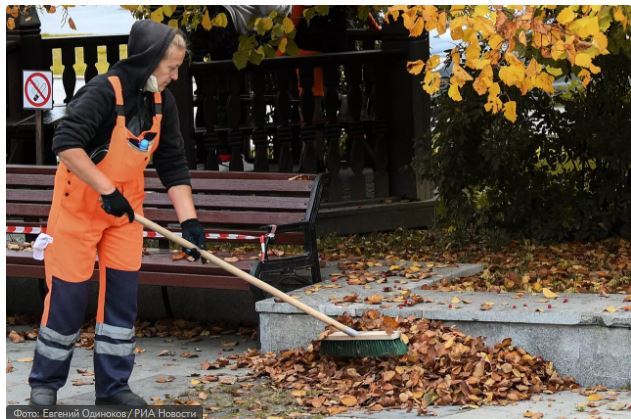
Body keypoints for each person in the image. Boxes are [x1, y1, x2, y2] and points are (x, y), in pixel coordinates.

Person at [28, 20, 206, 406]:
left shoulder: (162, 101)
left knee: (121, 300)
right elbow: (66, 144)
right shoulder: (103, 92)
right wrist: (106, 190)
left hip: (125, 215)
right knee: (68, 298)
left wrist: (188, 222)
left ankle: (113, 388)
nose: (176, 75)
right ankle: (45, 383)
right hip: (78, 208)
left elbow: (173, 164)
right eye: (171, 67)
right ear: (148, 61)